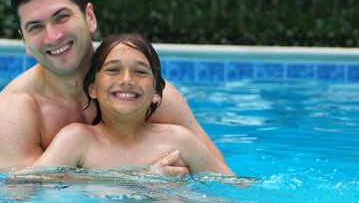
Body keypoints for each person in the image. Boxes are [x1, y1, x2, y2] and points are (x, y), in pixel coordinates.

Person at [0, 0, 228, 176]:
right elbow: (15, 199)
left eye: (61, 17)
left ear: (89, 17)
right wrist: (137, 177)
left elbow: (223, 181)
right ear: (25, 41)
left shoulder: (153, 95)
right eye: (35, 27)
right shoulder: (13, 112)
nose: (53, 36)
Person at [32, 33, 234, 175]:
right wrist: (143, 177)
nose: (127, 79)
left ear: (156, 92)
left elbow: (233, 190)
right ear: (92, 88)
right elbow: (23, 186)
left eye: (140, 71)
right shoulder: (77, 140)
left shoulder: (180, 142)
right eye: (113, 70)